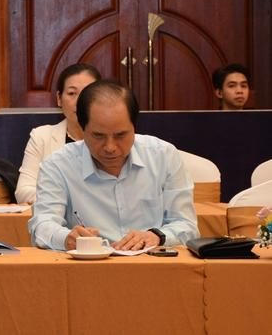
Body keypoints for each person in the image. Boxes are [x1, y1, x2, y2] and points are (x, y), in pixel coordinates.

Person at [28, 80, 199, 251]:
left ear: (134, 127)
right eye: (98, 136)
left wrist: (157, 236)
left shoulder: (163, 156)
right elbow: (42, 225)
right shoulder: (58, 165)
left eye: (120, 135)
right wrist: (66, 238)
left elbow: (187, 226)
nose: (110, 147)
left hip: (152, 261)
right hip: (89, 264)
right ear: (82, 128)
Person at [15, 63, 101, 204]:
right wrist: (68, 203)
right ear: (59, 99)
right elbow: (23, 192)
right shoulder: (41, 137)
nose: (80, 101)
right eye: (72, 93)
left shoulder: (114, 138)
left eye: (87, 93)